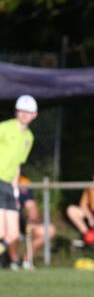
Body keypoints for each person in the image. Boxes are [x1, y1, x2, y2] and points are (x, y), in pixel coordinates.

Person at [0, 95, 37, 260]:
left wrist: (15, 191)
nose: (24, 114)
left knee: (13, 234)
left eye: (28, 112)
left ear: (34, 115)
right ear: (16, 111)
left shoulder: (29, 137)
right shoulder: (4, 127)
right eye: (22, 110)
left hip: (8, 185)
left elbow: (17, 165)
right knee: (0, 231)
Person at [6, 176, 57, 270]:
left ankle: (26, 260)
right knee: (12, 233)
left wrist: (32, 220)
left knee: (48, 230)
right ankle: (14, 262)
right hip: (5, 222)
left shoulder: (23, 181)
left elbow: (31, 206)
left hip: (21, 221)